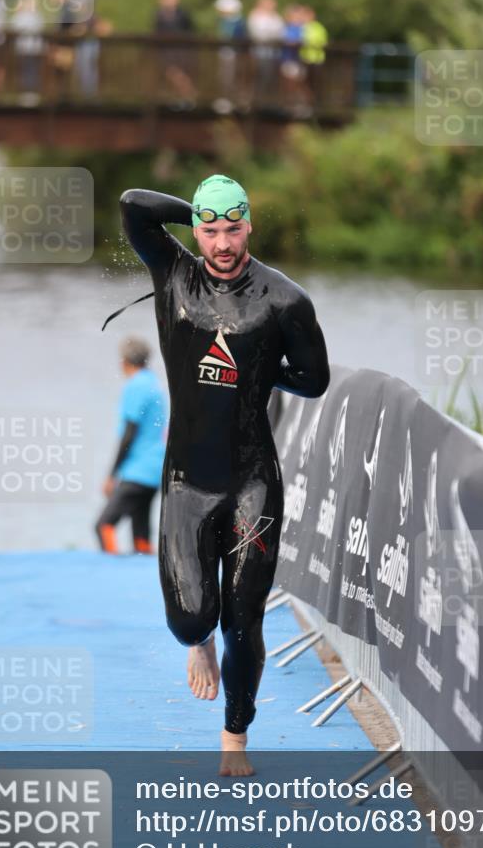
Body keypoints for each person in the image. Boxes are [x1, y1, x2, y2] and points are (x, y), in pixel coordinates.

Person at [119, 175, 329, 776]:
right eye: (209, 231)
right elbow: (133, 204)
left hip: (251, 481)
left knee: (245, 617)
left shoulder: (285, 301)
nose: (221, 244)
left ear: (249, 228)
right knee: (191, 618)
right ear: (197, 232)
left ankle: (235, 736)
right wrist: (199, 210)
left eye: (232, 229)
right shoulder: (174, 272)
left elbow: (314, 379)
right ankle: (197, 644)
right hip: (187, 481)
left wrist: (260, 373)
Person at [96, 337, 168, 555]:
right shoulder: (154, 384)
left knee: (104, 525)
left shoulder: (135, 386)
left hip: (138, 470)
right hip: (156, 468)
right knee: (140, 534)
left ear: (125, 362)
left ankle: (108, 572)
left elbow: (129, 434)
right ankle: (145, 567)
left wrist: (112, 474)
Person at [152, 0, 196, 106]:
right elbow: (156, 32)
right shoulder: (158, 14)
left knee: (179, 75)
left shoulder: (183, 14)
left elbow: (191, 30)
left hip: (182, 51)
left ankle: (188, 97)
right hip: (166, 51)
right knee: (172, 74)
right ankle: (185, 97)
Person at [247, 0, 284, 104]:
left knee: (272, 78)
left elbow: (280, 32)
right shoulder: (255, 15)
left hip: (274, 53)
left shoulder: (276, 17)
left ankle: (270, 101)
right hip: (260, 52)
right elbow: (258, 33)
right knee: (261, 77)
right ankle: (258, 101)